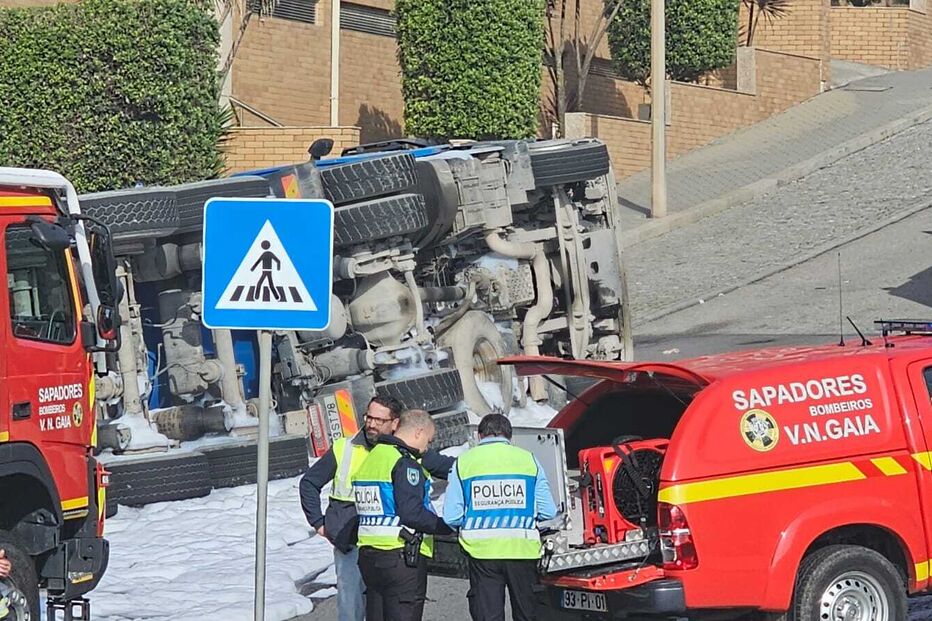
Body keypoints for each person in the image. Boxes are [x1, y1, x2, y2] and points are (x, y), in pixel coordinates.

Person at [299, 396, 453, 621]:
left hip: (389, 545)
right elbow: (309, 483)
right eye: (368, 417)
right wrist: (319, 523)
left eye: (379, 420)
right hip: (351, 544)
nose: (371, 424)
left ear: (395, 423)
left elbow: (450, 468)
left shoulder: (410, 450)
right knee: (351, 609)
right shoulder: (345, 448)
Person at [443, 413, 558, 621]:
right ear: (509, 436)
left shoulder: (464, 462)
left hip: (482, 553)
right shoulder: (529, 459)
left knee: (488, 615)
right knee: (527, 614)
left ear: (479, 436)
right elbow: (548, 511)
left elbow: (452, 516)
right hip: (523, 551)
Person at [353, 409, 454, 621]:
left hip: (368, 556)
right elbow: (411, 513)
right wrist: (446, 526)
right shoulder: (404, 462)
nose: (427, 447)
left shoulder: (373, 457)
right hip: (400, 556)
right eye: (428, 440)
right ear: (418, 432)